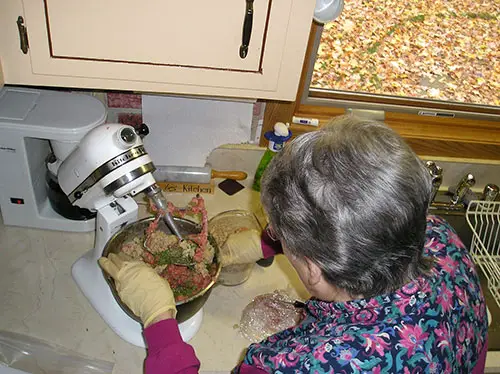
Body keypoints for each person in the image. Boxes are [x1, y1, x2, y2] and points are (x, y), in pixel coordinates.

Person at [99, 116, 488, 373]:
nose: (276, 234)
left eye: (282, 233)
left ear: (315, 270)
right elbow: (358, 223)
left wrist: (158, 319)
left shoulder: (308, 365)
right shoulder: (437, 235)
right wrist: (268, 245)